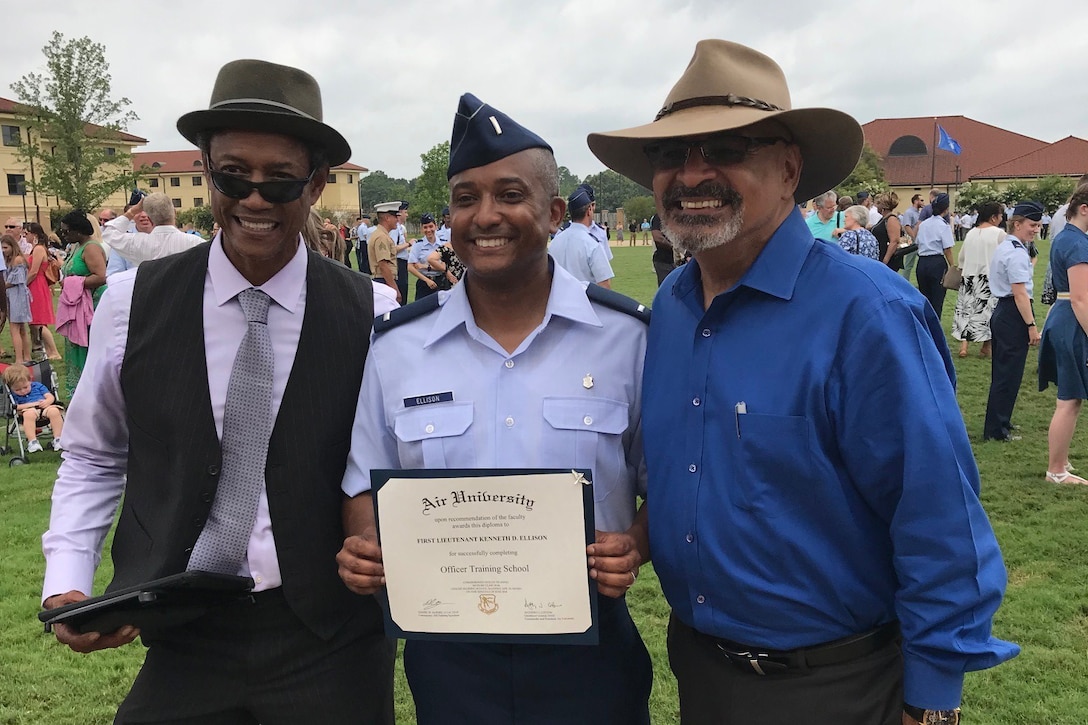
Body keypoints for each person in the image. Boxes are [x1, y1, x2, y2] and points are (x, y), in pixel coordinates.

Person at [587, 38, 1017, 724]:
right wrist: (639, 538)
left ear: (790, 171)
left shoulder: (866, 313)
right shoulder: (670, 307)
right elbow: (690, 468)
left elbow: (937, 514)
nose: (691, 173)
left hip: (835, 686)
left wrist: (933, 701)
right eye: (671, 155)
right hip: (699, 669)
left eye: (725, 149)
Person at [40, 59, 395, 723]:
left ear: (316, 184)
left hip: (329, 637)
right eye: (233, 175)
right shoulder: (130, 305)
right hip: (183, 630)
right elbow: (92, 454)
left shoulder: (373, 311)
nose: (254, 198)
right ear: (207, 173)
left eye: (280, 179)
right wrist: (67, 580)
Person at [337, 92, 653, 725]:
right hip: (449, 654)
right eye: (465, 199)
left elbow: (668, 481)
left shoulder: (627, 340)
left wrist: (634, 546)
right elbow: (362, 478)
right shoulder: (398, 347)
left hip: (591, 652)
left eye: (510, 195)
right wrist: (364, 543)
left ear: (555, 211)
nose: (485, 216)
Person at [983, 201, 1043, 442]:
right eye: (1032, 225)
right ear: (1017, 224)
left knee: (1005, 372)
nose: (1036, 229)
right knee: (1008, 374)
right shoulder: (1016, 253)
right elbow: (1020, 293)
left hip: (1004, 311)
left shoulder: (1007, 247)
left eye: (1038, 225)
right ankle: (996, 430)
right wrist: (1031, 326)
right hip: (1013, 312)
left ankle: (1001, 421)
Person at [1040, 185, 1088, 483]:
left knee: (1072, 399)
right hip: (1072, 319)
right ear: (1085, 209)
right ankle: (1056, 470)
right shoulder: (1078, 244)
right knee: (1069, 400)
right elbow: (1081, 298)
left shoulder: (1066, 238)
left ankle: (1061, 462)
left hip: (1064, 316)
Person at [56, 210, 106, 397]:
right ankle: (78, 392)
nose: (64, 235)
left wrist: (74, 283)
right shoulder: (77, 246)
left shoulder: (91, 247)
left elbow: (101, 277)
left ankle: (91, 392)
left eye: (66, 231)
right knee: (75, 347)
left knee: (90, 347)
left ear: (78, 231)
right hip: (77, 305)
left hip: (93, 305)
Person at [952, 202, 1005, 358]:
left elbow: (961, 257)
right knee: (988, 312)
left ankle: (964, 346)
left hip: (968, 276)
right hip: (988, 277)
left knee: (966, 310)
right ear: (994, 217)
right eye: (1000, 215)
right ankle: (985, 347)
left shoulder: (971, 233)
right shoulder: (999, 234)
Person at [101, 193, 202, 268]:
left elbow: (108, 233)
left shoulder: (138, 242)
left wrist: (132, 212)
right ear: (174, 213)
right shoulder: (196, 242)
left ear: (149, 217)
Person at [549, 185, 615, 287]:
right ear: (589, 210)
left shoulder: (555, 242)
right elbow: (604, 284)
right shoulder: (592, 244)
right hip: (585, 301)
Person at [3, 362, 64, 452]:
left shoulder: (38, 386)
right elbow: (16, 407)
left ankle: (58, 439)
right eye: (18, 390)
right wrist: (32, 405)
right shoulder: (13, 394)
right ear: (11, 387)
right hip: (27, 411)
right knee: (29, 414)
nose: (22, 391)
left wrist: (47, 402)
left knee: (54, 411)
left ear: (30, 380)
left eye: (25, 387)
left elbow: (50, 397)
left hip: (45, 408)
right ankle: (33, 442)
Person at [24, 222, 62, 360]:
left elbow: (34, 271)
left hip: (37, 285)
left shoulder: (39, 249)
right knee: (36, 321)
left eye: (26, 233)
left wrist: (23, 285)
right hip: (35, 285)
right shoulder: (35, 249)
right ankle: (47, 349)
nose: (24, 236)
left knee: (39, 320)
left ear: (34, 234)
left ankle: (54, 351)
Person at [915, 192, 955, 318]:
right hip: (936, 262)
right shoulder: (943, 225)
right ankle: (935, 327)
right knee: (937, 299)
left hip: (922, 262)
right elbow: (947, 249)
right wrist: (952, 266)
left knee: (925, 297)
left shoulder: (924, 224)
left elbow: (918, 242)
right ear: (946, 209)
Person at [2, 234, 31, 363]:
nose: (3, 250)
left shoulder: (17, 260)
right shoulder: (8, 261)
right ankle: (26, 356)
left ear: (12, 246)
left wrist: (2, 287)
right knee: (21, 329)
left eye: (5, 247)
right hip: (12, 296)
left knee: (15, 329)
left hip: (17, 297)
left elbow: (15, 280)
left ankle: (20, 359)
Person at [407, 212, 447, 299]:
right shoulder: (418, 245)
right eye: (425, 227)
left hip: (442, 281)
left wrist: (424, 266)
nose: (428, 230)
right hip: (424, 282)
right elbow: (410, 267)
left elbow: (445, 267)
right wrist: (427, 280)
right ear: (421, 229)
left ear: (436, 226)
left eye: (431, 226)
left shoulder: (443, 244)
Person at [368, 201, 401, 302]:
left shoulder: (381, 234)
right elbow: (383, 265)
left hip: (384, 280)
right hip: (383, 280)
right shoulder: (381, 237)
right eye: (395, 216)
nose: (397, 219)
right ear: (387, 218)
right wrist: (395, 289)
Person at [871, 192, 904, 270]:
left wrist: (885, 261)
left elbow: (894, 241)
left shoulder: (891, 219)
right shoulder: (884, 219)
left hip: (888, 261)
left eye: (878, 203)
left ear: (883, 206)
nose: (877, 206)